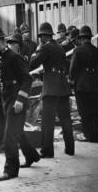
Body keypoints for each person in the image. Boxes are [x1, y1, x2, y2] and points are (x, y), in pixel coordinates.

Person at [0, 25, 38, 181]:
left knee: (9, 138)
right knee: (17, 133)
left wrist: (21, 100)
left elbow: (27, 79)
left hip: (16, 104)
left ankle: (10, 170)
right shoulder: (1, 57)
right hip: (7, 102)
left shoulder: (13, 57)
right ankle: (32, 155)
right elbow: (1, 83)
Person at [30, 22, 74, 158]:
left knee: (47, 120)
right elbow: (66, 65)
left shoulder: (45, 47)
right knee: (65, 118)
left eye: (40, 37)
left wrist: (37, 50)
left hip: (50, 86)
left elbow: (33, 64)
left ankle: (47, 150)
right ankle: (70, 148)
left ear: (43, 36)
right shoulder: (60, 47)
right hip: (62, 85)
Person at [69, 25, 98, 143]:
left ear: (81, 38)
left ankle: (87, 135)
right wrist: (94, 76)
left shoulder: (78, 51)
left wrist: (72, 78)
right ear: (90, 37)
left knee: (84, 112)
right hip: (94, 84)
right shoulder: (96, 50)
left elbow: (72, 70)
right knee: (94, 110)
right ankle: (96, 135)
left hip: (81, 85)